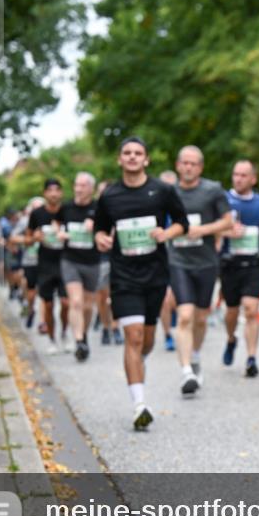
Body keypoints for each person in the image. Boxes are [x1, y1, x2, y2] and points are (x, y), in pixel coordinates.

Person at [94, 137, 188, 431]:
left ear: (146, 160)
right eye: (127, 153)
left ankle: (137, 363)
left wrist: (166, 233)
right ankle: (139, 405)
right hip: (123, 276)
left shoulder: (161, 190)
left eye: (138, 153)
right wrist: (101, 238)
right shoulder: (109, 196)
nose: (133, 157)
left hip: (155, 274)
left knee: (146, 341)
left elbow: (182, 222)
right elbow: (99, 230)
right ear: (120, 159)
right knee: (132, 337)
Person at [168, 145, 232, 394]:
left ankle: (194, 355)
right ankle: (186, 372)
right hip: (178, 260)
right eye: (184, 163)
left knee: (201, 318)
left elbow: (228, 221)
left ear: (200, 167)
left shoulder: (212, 190)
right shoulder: (169, 192)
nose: (188, 167)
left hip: (206, 262)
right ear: (177, 165)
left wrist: (202, 230)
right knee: (184, 316)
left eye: (193, 163)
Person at [220, 159, 259, 378]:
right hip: (229, 263)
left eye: (243, 175)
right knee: (232, 311)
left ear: (253, 179)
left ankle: (252, 358)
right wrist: (226, 232)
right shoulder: (223, 199)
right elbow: (213, 228)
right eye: (236, 174)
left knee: (251, 309)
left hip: (253, 263)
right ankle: (231, 338)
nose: (238, 179)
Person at [58, 172, 102, 362]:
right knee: (75, 301)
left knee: (88, 306)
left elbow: (110, 229)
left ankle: (83, 334)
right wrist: (59, 233)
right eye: (76, 185)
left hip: (92, 261)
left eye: (83, 185)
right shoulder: (67, 207)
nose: (78, 189)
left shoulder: (99, 208)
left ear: (91, 189)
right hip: (70, 259)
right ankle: (78, 341)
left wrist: (97, 226)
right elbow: (56, 223)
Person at [27, 178, 72, 355]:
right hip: (45, 263)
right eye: (50, 190)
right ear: (45, 193)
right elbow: (28, 238)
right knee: (48, 305)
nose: (53, 194)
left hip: (65, 261)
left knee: (66, 302)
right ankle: (52, 339)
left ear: (61, 193)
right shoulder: (37, 214)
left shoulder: (68, 211)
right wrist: (35, 238)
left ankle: (64, 333)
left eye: (57, 190)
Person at [93, 179, 122, 346]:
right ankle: (105, 326)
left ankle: (116, 326)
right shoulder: (94, 209)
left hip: (118, 257)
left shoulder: (119, 207)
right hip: (100, 258)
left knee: (115, 295)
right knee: (102, 296)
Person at [9, 197, 44, 328]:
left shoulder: (51, 219)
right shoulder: (25, 222)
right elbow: (13, 237)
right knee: (31, 292)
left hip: (47, 261)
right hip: (29, 260)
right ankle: (30, 309)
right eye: (35, 207)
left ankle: (43, 322)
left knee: (45, 294)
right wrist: (28, 240)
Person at [158, 169, 179, 352]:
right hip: (160, 260)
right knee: (164, 300)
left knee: (178, 299)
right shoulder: (153, 207)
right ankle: (167, 334)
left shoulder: (182, 206)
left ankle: (176, 321)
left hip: (182, 258)